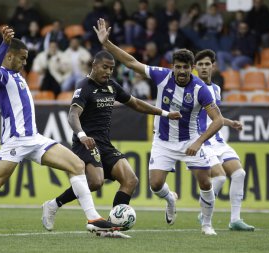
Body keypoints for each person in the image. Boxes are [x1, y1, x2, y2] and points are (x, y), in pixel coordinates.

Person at [0, 26, 121, 238]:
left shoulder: (19, 77)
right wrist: (3, 44)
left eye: (26, 59)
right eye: (21, 59)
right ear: (9, 56)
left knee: (77, 165)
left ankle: (93, 218)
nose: (24, 63)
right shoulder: (0, 77)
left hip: (35, 139)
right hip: (16, 141)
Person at [94, 18, 224, 236]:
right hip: (163, 140)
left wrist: (199, 141)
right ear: (172, 66)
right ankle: (170, 199)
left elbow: (218, 120)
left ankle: (207, 224)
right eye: (177, 67)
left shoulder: (201, 89)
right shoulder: (162, 76)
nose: (181, 71)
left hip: (190, 139)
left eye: (185, 68)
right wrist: (107, 44)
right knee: (155, 185)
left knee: (205, 181)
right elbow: (132, 62)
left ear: (191, 69)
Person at [41, 49, 182, 232]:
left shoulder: (111, 86)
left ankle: (113, 224)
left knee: (130, 180)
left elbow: (136, 103)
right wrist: (82, 135)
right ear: (94, 65)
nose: (108, 72)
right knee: (95, 182)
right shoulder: (84, 86)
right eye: (105, 67)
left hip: (105, 145)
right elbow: (73, 115)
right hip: (86, 143)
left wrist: (164, 113)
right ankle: (53, 205)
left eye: (111, 68)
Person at [194, 49, 255, 231]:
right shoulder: (191, 87)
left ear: (213, 66)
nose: (204, 67)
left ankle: (235, 220)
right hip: (203, 141)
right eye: (201, 64)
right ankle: (204, 211)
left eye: (207, 64)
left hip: (218, 141)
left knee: (239, 174)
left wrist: (230, 123)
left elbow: (215, 116)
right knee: (219, 178)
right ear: (195, 67)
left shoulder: (216, 88)